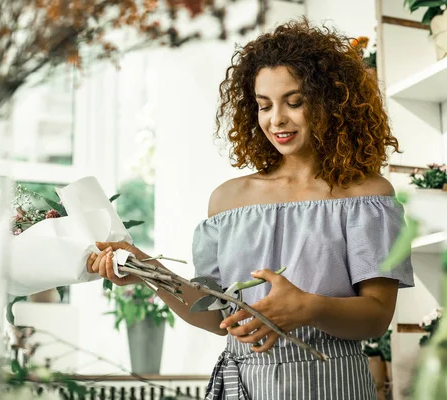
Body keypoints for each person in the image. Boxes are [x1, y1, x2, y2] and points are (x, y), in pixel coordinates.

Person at [87, 17, 414, 400]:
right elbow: (213, 314)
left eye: (295, 102)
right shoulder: (227, 201)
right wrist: (147, 269)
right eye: (264, 106)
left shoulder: (366, 196)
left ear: (330, 102)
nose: (276, 120)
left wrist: (307, 307)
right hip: (244, 387)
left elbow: (376, 316)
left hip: (333, 384)